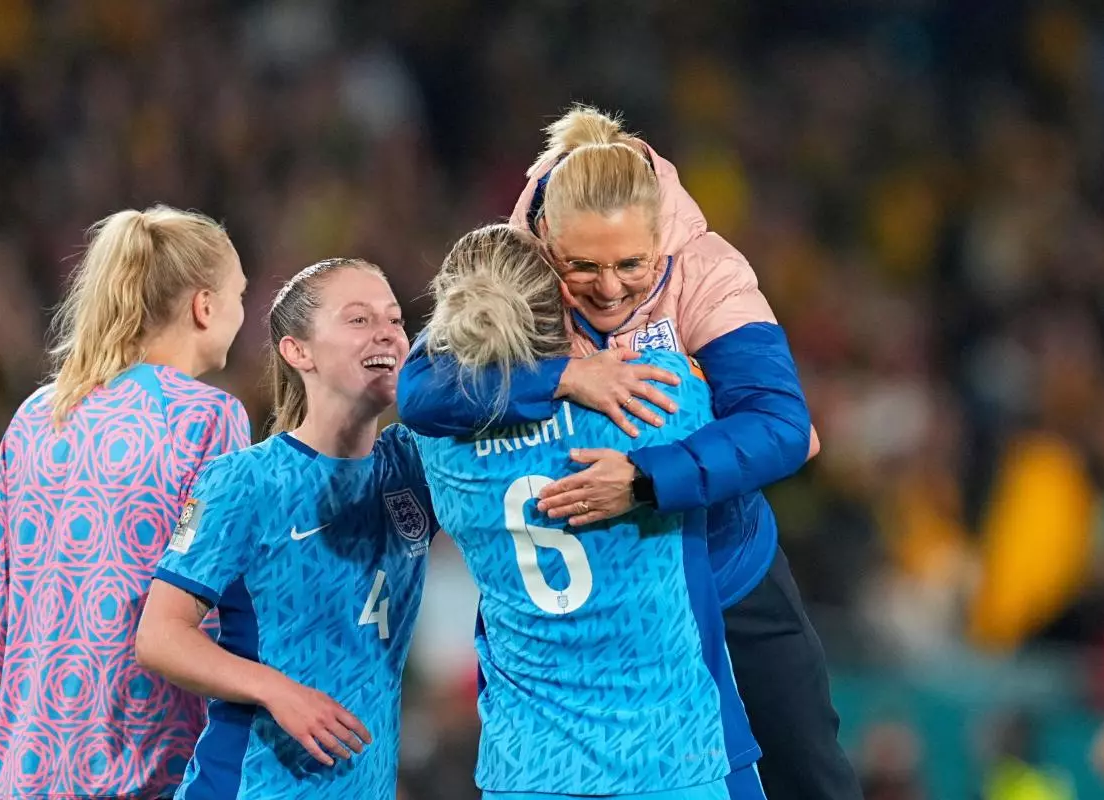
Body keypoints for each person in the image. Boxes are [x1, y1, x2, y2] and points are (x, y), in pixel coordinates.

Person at [398, 106, 861, 800]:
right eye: (581, 266)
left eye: (631, 265)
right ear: (546, 235)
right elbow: (423, 392)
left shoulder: (708, 269)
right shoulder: (511, 265)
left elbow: (782, 426)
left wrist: (646, 480)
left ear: (663, 240)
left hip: (726, 566)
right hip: (594, 603)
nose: (609, 288)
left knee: (810, 775)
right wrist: (563, 376)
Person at [413, 223, 765, 800]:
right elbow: (773, 435)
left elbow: (434, 386)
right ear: (563, 303)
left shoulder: (438, 446)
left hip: (528, 767)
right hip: (672, 755)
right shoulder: (656, 393)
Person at [0, 206, 251, 800]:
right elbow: (217, 608)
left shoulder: (34, 417)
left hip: (21, 770)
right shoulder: (208, 418)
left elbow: (1, 613)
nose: (241, 313)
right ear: (205, 306)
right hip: (142, 769)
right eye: (238, 295)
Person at [135, 258, 436, 800]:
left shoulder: (414, 468)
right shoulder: (245, 482)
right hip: (250, 783)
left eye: (395, 319)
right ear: (299, 351)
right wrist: (278, 692)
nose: (388, 333)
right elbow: (160, 636)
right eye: (359, 320)